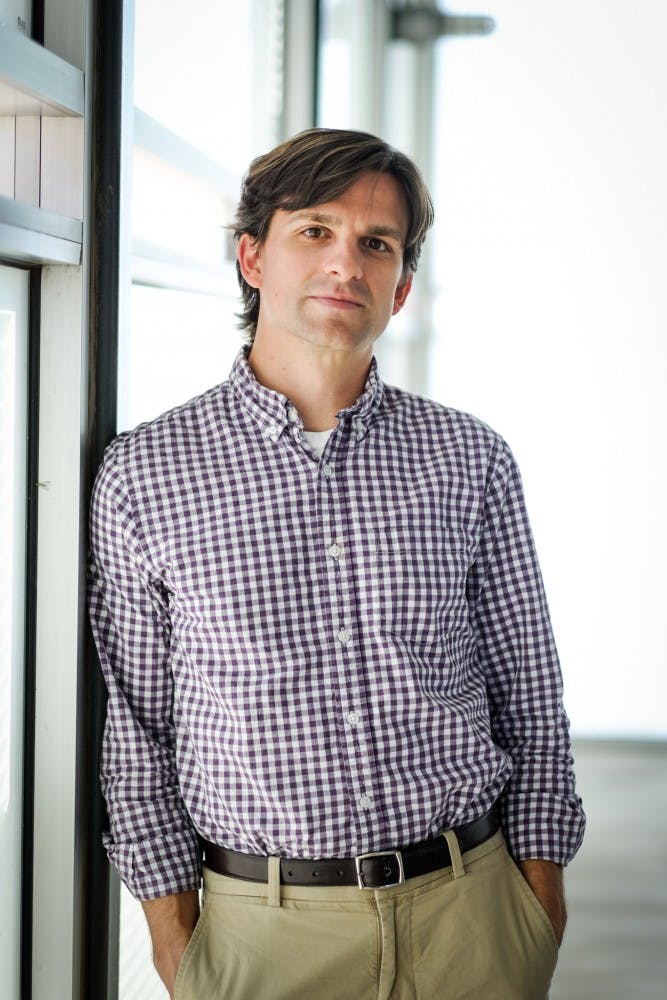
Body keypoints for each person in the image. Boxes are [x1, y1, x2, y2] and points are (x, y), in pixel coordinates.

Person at [88, 127, 585, 1000]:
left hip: (471, 919)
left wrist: (537, 899)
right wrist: (173, 935)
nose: (345, 264)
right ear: (252, 257)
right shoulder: (145, 474)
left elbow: (531, 697)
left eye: (376, 244)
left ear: (401, 287)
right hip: (263, 937)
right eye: (314, 230)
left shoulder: (469, 459)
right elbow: (136, 731)